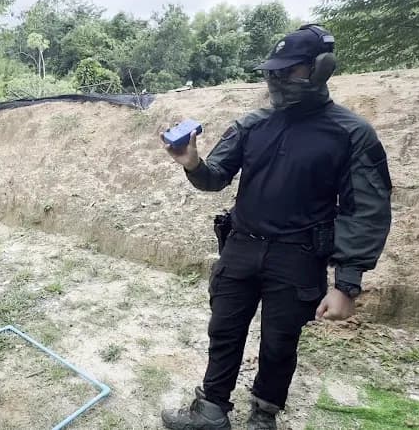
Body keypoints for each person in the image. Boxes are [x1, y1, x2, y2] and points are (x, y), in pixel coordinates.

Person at [159, 24, 392, 430]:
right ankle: (210, 410)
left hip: (299, 255)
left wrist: (346, 283)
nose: (278, 79)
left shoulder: (351, 133)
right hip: (242, 245)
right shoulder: (252, 124)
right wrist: (192, 164)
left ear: (321, 69)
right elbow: (216, 177)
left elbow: (366, 209)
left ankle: (263, 415)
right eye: (273, 71)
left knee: (280, 343)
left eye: (290, 70)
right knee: (224, 330)